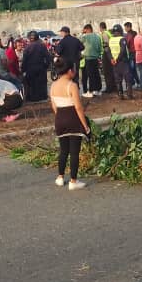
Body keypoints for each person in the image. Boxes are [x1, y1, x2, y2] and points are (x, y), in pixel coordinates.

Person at [49, 56, 90, 190]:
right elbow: (78, 107)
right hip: (73, 119)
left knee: (63, 150)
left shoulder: (53, 85)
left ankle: (60, 177)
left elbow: (54, 106)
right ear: (70, 71)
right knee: (74, 152)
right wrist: (85, 126)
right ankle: (73, 181)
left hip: (59, 118)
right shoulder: (72, 85)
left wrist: (60, 117)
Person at [21, 30, 52, 102]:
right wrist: (46, 66)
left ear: (29, 38)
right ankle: (42, 97)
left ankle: (32, 98)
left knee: (32, 85)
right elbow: (48, 57)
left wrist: (23, 70)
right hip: (41, 68)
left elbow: (24, 60)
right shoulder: (42, 46)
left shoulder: (27, 48)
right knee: (41, 84)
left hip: (30, 69)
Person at [107, 24, 132, 99]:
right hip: (123, 61)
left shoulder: (111, 39)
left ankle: (120, 94)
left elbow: (108, 51)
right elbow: (123, 51)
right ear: (120, 31)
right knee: (128, 78)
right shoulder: (122, 39)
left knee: (118, 79)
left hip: (114, 62)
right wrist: (117, 59)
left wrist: (111, 59)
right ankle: (129, 94)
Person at [80, 24, 103, 98]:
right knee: (96, 74)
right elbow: (100, 48)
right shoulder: (97, 37)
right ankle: (98, 89)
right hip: (96, 58)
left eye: (84, 30)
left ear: (87, 29)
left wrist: (82, 33)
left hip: (88, 58)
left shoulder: (85, 36)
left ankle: (91, 91)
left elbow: (78, 41)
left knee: (90, 75)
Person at [98, 21, 116, 94]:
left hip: (106, 53)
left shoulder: (104, 34)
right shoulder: (109, 33)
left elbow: (106, 44)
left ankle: (109, 88)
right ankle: (114, 87)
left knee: (107, 71)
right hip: (110, 53)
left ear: (101, 27)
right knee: (111, 71)